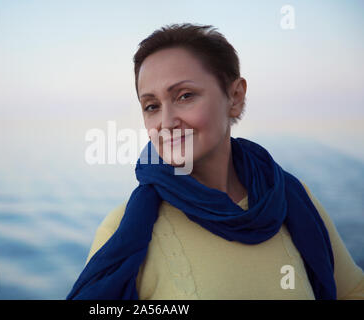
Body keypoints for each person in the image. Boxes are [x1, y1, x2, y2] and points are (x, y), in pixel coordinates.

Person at [67, 23, 364, 300]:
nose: (166, 122)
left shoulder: (291, 199)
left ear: (234, 97)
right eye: (152, 106)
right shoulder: (123, 228)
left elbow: (352, 291)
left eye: (184, 96)